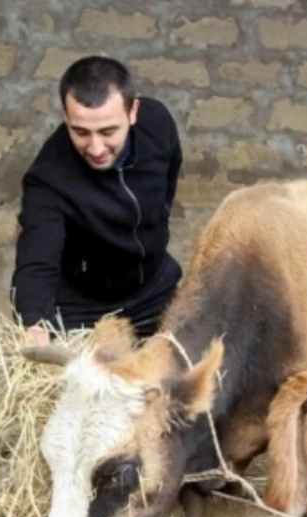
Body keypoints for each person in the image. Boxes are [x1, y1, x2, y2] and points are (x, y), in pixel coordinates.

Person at [10, 56, 184, 346]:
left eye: (108, 131)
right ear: (66, 116)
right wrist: (34, 321)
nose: (96, 148)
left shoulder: (158, 123)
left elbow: (168, 184)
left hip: (155, 288)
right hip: (85, 309)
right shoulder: (48, 179)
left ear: (133, 111)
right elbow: (36, 261)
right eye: (80, 131)